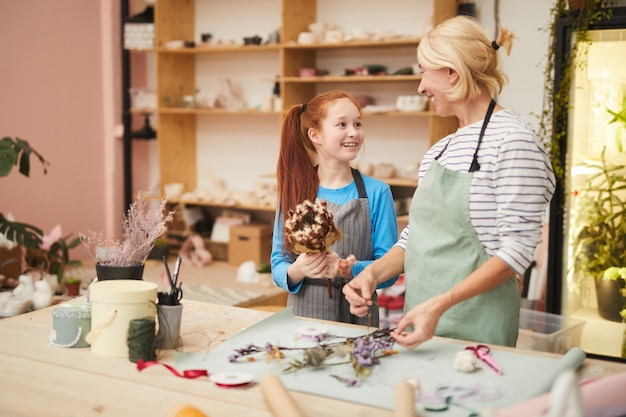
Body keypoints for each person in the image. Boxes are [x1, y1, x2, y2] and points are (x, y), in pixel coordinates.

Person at [342, 15, 556, 348]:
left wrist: (441, 304)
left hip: (477, 327)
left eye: (424, 71)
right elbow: (418, 237)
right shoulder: (440, 151)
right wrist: (371, 273)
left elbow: (516, 251)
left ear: (452, 73)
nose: (420, 86)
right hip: (421, 320)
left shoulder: (514, 141)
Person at [271, 90, 399, 326]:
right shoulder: (294, 192)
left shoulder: (378, 192)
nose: (354, 132)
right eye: (342, 124)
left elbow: (389, 270)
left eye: (358, 124)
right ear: (315, 135)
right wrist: (298, 270)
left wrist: (348, 269)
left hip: (358, 316)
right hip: (303, 317)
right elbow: (278, 264)